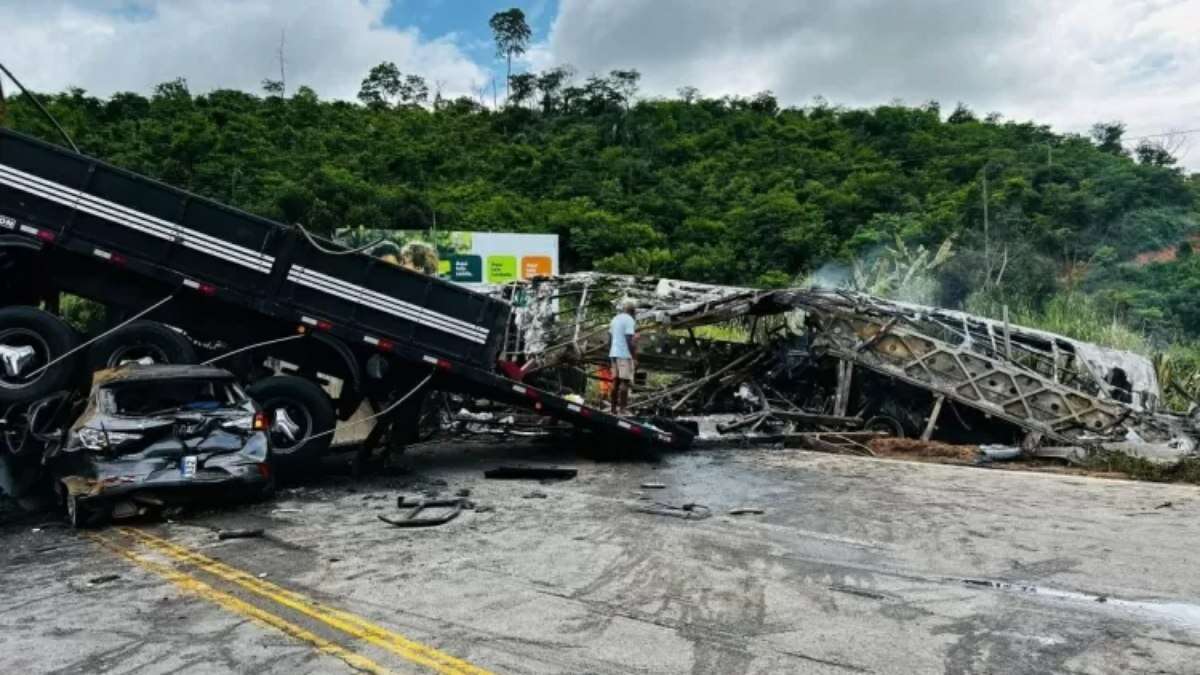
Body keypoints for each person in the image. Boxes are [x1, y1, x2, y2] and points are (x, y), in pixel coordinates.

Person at [609, 300, 638, 415]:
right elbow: (628, 340)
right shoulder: (629, 320)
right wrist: (634, 356)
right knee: (624, 382)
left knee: (615, 382)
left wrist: (612, 351)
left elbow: (609, 338)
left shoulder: (615, 319)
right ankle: (623, 410)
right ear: (632, 311)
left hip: (613, 353)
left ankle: (613, 409)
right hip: (624, 354)